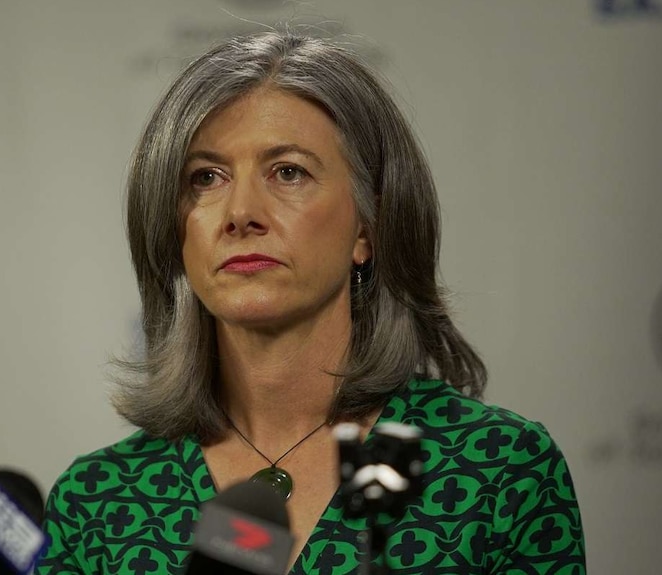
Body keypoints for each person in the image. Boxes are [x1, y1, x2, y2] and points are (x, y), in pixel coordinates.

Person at [35, 31, 585, 574]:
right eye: (206, 178)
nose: (240, 212)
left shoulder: (500, 470)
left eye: (288, 172)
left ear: (368, 226)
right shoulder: (96, 504)